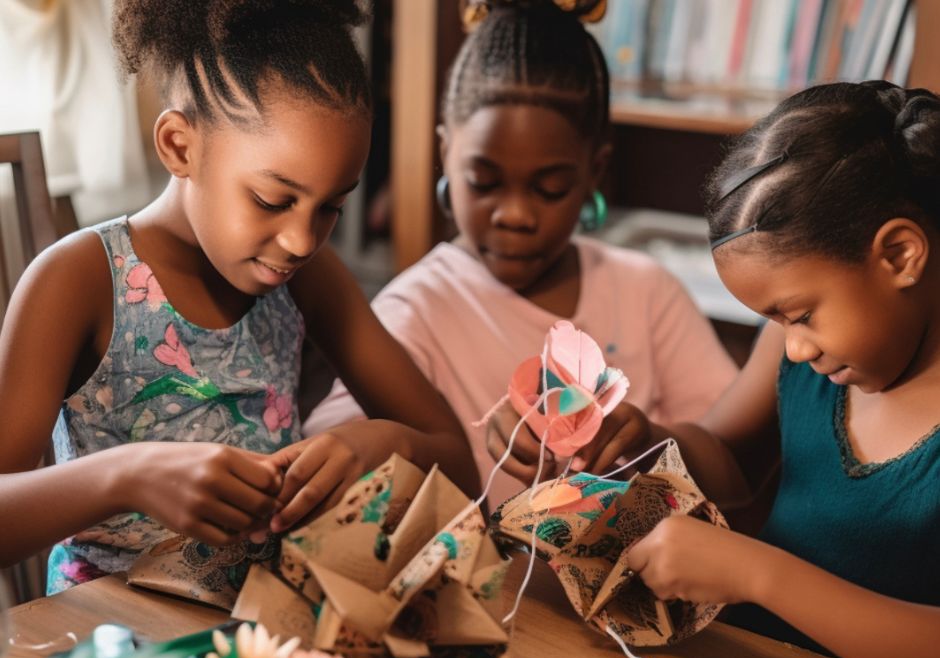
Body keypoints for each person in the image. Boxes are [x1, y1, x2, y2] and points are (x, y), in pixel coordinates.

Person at [0, 0, 476, 593]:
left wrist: (384, 444)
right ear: (179, 146)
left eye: (332, 206)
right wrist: (127, 475)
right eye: (273, 201)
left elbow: (460, 464)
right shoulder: (79, 280)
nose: (303, 239)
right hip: (112, 652)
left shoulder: (311, 280)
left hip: (263, 641)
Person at [306, 0, 737, 510]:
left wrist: (651, 442)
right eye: (484, 182)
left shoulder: (646, 291)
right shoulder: (415, 310)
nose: (514, 214)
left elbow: (734, 475)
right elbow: (337, 446)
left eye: (550, 188)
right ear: (446, 153)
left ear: (594, 171)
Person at [586, 81, 940, 658]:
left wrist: (758, 574)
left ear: (901, 254)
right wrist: (646, 439)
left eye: (798, 315)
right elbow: (729, 464)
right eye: (774, 321)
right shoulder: (803, 347)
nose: (793, 347)